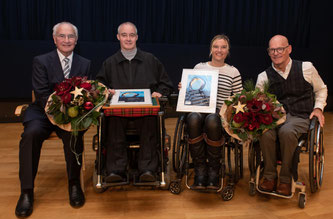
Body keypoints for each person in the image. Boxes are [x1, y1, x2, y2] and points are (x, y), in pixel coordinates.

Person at [15, 22, 91, 218]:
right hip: (42, 112)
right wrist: (59, 112)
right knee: (30, 136)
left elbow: (84, 94)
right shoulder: (41, 61)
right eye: (62, 36)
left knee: (74, 134)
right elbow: (40, 94)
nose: (67, 40)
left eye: (71, 36)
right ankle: (26, 192)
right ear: (55, 39)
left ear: (76, 40)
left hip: (70, 114)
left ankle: (74, 184)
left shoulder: (84, 63)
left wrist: (71, 114)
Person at [96, 22, 173, 183]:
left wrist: (160, 92)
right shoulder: (109, 63)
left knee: (150, 118)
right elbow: (99, 86)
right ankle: (116, 170)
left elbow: (166, 83)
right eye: (124, 35)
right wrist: (106, 92)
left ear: (137, 37)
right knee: (113, 120)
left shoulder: (150, 60)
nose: (128, 39)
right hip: (118, 113)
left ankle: (148, 169)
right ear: (118, 37)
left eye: (132, 35)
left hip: (145, 112)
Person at [256, 34, 327, 196]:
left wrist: (318, 108)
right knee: (264, 132)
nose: (276, 53)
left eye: (280, 49)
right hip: (275, 118)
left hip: (301, 116)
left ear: (289, 49)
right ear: (268, 52)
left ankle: (286, 179)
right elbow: (259, 103)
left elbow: (321, 89)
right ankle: (269, 177)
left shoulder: (306, 68)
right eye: (272, 50)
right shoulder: (264, 77)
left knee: (287, 132)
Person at [179, 34, 243, 190]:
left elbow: (238, 99)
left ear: (228, 51)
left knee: (213, 120)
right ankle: (200, 170)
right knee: (193, 118)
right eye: (216, 47)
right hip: (199, 111)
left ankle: (214, 171)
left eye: (223, 47)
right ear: (210, 49)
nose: (219, 50)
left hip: (219, 115)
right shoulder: (199, 68)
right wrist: (184, 88)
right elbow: (190, 92)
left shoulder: (233, 72)